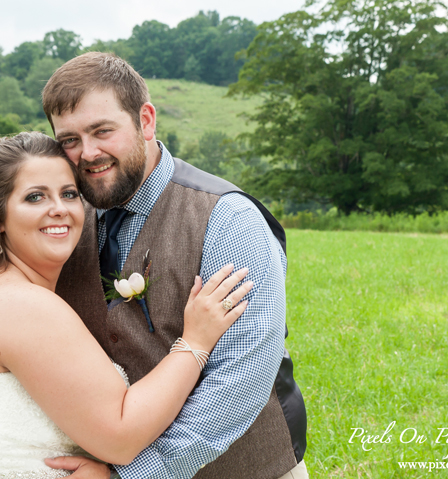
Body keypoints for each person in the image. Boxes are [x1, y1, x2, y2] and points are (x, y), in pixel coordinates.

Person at [0, 131, 251, 479]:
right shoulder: (20, 306)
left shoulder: (0, 293)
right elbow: (119, 437)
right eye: (35, 196)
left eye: (69, 194)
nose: (59, 208)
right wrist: (196, 343)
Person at [37, 52, 308, 479]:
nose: (87, 153)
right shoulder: (64, 220)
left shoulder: (227, 219)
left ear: (146, 120)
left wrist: (134, 474)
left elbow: (242, 375)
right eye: (69, 139)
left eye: (102, 131)